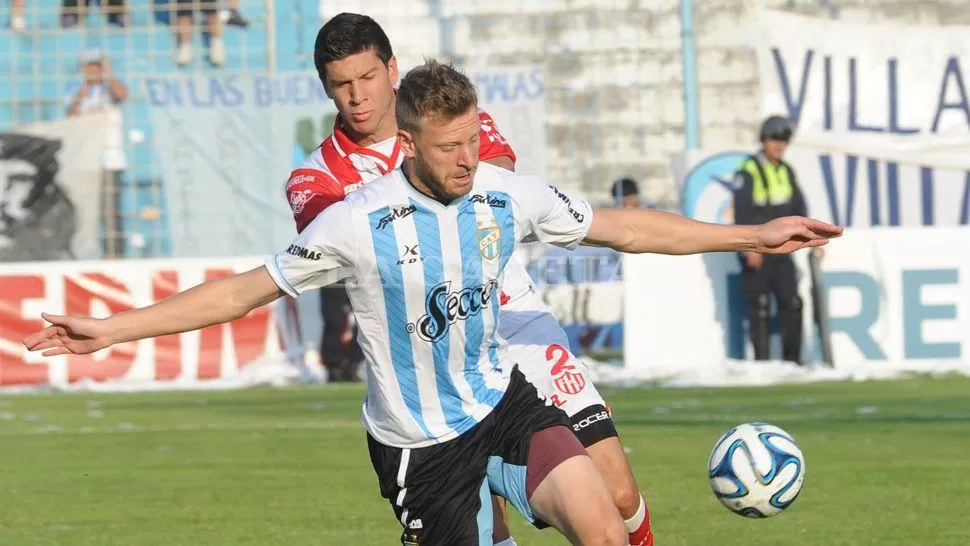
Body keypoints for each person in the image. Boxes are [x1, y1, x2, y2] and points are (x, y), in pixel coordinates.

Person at [25, 61, 841, 544]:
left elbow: (625, 228)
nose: (469, 159)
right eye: (451, 148)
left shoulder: (501, 192)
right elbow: (242, 291)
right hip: (422, 451)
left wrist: (753, 237)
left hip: (506, 405)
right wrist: (111, 329)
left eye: (476, 140)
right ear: (408, 143)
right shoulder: (355, 222)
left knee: (603, 521)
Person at [286, 12, 646, 544]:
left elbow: (491, 174)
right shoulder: (316, 177)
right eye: (342, 85)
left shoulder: (447, 117)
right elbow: (333, 243)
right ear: (326, 88)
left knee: (616, 494)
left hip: (514, 320)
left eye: (367, 78)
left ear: (392, 70)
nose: (357, 96)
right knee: (488, 523)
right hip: (435, 355)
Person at [732, 115, 818, 365]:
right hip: (757, 248)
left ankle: (793, 363)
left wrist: (813, 237)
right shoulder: (749, 170)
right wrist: (751, 247)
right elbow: (742, 211)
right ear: (764, 140)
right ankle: (763, 365)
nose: (779, 146)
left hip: (782, 251)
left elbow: (799, 208)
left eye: (783, 141)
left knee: (792, 303)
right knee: (759, 306)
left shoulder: (786, 170)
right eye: (774, 140)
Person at [67, 48, 129, 258]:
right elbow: (70, 119)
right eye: (89, 66)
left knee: (111, 210)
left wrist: (108, 75)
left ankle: (115, 254)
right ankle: (86, 254)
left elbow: (123, 94)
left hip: (111, 160)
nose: (93, 70)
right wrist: (81, 95)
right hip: (87, 162)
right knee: (86, 212)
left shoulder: (110, 89)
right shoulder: (78, 92)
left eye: (97, 66)